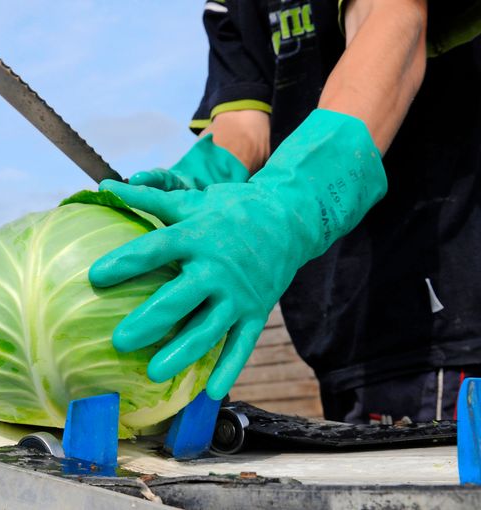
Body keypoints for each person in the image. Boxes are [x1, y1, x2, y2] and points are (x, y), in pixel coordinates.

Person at [89, 0, 481, 423]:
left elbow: (392, 21)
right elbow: (245, 122)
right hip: (336, 323)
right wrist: (199, 182)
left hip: (439, 305)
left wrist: (285, 206)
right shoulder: (228, 7)